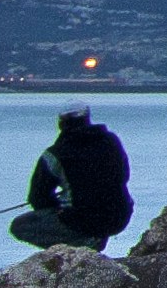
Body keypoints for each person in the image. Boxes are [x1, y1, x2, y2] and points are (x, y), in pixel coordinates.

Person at [10, 106, 132, 248]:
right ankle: (93, 238)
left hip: (82, 220)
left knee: (20, 226)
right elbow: (123, 175)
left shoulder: (55, 154)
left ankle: (82, 244)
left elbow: (38, 197)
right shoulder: (111, 141)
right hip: (120, 215)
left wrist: (60, 209)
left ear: (61, 123)